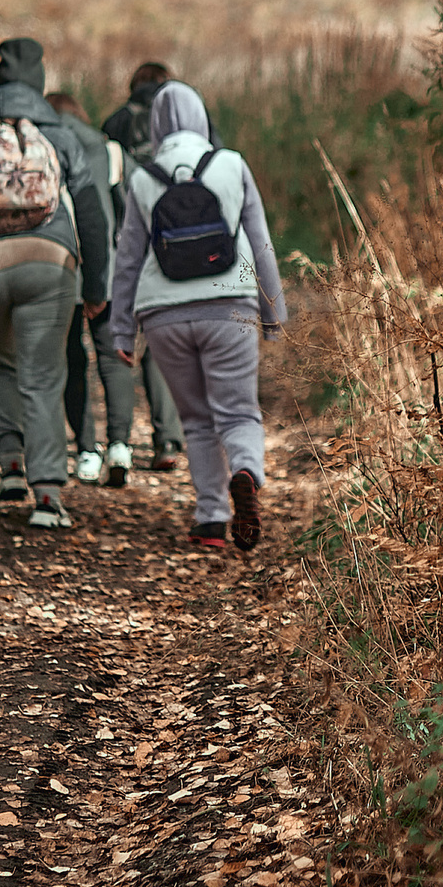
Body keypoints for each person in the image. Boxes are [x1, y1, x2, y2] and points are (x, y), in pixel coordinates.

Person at [0, 37, 112, 528]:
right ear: (40, 82)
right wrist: (96, 288)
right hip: (47, 263)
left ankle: (9, 462)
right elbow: (93, 214)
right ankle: (48, 493)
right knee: (42, 374)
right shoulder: (59, 134)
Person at [108, 81, 287, 551]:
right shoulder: (231, 164)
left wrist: (122, 330)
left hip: (162, 314)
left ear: (156, 125)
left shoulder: (143, 177)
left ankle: (210, 517)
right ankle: (246, 471)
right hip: (229, 304)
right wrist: (273, 311)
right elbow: (260, 241)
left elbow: (127, 258)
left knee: (196, 419)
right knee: (238, 410)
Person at [99, 60, 186, 471]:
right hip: (179, 244)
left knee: (120, 341)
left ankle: (119, 442)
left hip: (128, 244)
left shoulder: (114, 122)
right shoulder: (186, 123)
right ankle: (167, 440)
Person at [48, 90, 137, 487]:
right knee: (113, 357)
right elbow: (128, 213)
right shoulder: (110, 150)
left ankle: (86, 449)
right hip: (110, 268)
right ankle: (120, 445)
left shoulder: (43, 146)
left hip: (61, 268)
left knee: (71, 360)